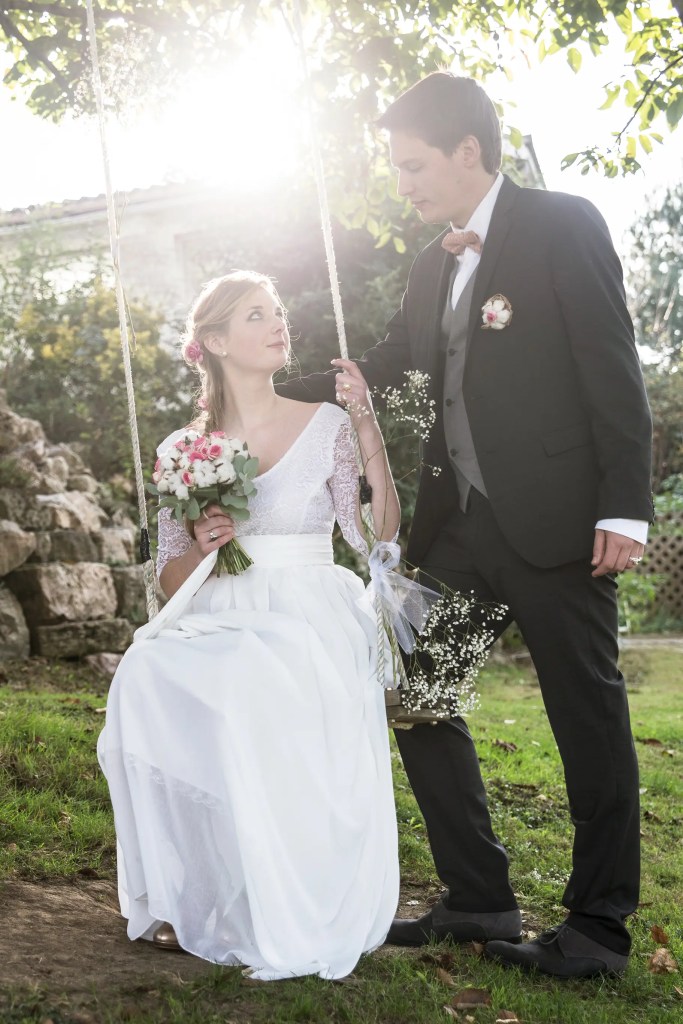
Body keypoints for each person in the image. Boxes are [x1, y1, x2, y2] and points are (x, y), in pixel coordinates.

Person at [285, 73, 653, 978]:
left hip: (562, 526)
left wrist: (625, 506)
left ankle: (599, 928)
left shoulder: (561, 224)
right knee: (416, 694)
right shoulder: (428, 264)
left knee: (585, 716)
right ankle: (479, 897)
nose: (403, 185)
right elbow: (388, 365)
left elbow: (612, 369)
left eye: (413, 166)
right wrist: (262, 386)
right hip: (462, 530)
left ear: (466, 152)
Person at [97, 270, 401, 981]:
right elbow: (169, 578)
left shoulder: (324, 425)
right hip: (219, 606)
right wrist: (203, 542)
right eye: (256, 315)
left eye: (277, 313)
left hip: (306, 612)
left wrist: (366, 423)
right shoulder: (183, 449)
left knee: (253, 680)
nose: (277, 325)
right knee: (145, 675)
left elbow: (374, 539)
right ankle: (190, 892)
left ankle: (285, 890)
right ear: (213, 341)